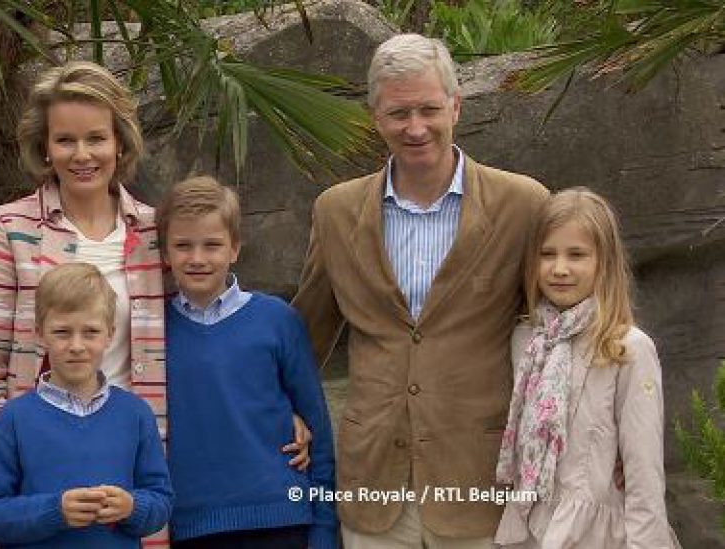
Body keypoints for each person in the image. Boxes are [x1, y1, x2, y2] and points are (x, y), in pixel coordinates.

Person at [0, 61, 310, 472]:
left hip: (139, 456)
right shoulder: (10, 229)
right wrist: (0, 465)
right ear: (46, 148)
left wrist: (271, 407)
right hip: (38, 456)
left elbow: (209, 328)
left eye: (96, 138)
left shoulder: (153, 231)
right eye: (65, 140)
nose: (82, 154)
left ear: (119, 144)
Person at [291, 33, 549, 548]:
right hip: (375, 484)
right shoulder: (336, 211)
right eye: (398, 112)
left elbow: (559, 329)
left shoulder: (523, 205)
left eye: (429, 109)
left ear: (456, 105)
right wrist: (284, 410)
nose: (415, 127)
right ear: (374, 116)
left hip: (482, 482)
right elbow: (305, 334)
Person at [156, 176, 338, 549]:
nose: (197, 258)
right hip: (191, 527)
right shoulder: (153, 331)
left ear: (235, 248)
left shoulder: (277, 319)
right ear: (164, 252)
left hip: (283, 521)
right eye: (183, 246)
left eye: (212, 245)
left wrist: (323, 529)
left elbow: (318, 434)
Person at [494, 188, 680, 548]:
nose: (560, 268)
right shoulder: (526, 340)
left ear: (604, 262)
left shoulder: (627, 349)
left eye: (577, 255)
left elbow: (644, 472)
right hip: (531, 526)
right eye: (547, 254)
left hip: (595, 533)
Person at [0, 263, 172, 548]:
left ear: (110, 334)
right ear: (40, 333)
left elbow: (161, 501)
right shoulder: (14, 419)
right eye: (62, 332)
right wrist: (55, 511)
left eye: (90, 332)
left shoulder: (135, 414)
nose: (77, 345)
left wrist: (131, 506)